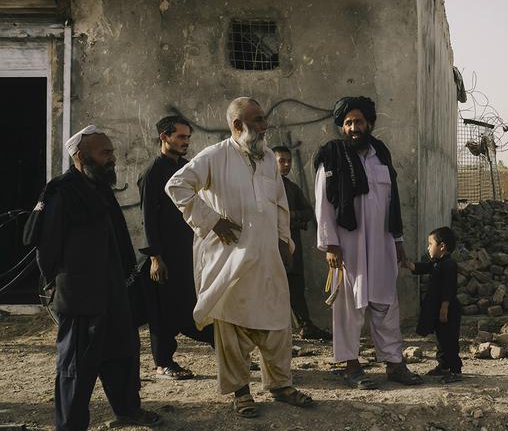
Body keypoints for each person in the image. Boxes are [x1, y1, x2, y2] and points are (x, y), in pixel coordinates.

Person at [165, 97, 314, 418]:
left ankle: (280, 385)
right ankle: (241, 392)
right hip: (229, 261)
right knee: (232, 329)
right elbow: (176, 185)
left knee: (277, 324)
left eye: (263, 119)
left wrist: (284, 242)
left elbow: (278, 204)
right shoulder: (215, 157)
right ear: (237, 125)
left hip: (267, 258)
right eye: (258, 120)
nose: (265, 126)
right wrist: (212, 220)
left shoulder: (268, 158)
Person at [34, 125, 161, 430]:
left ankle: (128, 411)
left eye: (111, 152)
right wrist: (57, 287)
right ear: (80, 156)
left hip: (115, 294)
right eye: (105, 153)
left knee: (122, 357)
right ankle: (70, 425)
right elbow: (46, 249)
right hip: (81, 300)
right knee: (76, 368)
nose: (112, 158)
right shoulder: (61, 192)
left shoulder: (100, 188)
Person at [315, 96, 422, 390]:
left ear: (369, 123)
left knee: (386, 302)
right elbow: (323, 203)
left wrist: (397, 240)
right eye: (348, 122)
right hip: (348, 245)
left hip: (383, 242)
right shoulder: (331, 155)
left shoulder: (381, 154)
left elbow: (393, 201)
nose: (353, 127)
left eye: (358, 121)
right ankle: (350, 365)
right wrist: (330, 245)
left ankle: (394, 363)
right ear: (342, 126)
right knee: (349, 306)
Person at [138, 116, 214, 380]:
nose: (186, 142)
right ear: (164, 137)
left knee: (198, 303)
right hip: (165, 254)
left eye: (188, 137)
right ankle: (163, 362)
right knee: (162, 310)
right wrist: (156, 257)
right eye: (180, 137)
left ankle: (228, 352)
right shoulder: (152, 173)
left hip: (191, 251)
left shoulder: (188, 168)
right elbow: (148, 218)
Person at [272, 145, 331, 341]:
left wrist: (289, 216)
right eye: (282, 161)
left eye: (289, 161)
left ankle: (306, 326)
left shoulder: (291, 188)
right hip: (270, 250)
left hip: (292, 248)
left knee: (296, 288)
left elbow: (307, 212)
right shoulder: (263, 187)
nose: (287, 164)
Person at [403, 227, 463, 383]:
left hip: (448, 309)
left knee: (449, 340)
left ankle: (455, 371)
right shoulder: (437, 263)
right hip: (439, 309)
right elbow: (423, 267)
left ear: (441, 246)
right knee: (441, 340)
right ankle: (443, 366)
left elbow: (449, 288)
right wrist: (408, 264)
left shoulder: (449, 264)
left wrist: (445, 308)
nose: (428, 247)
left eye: (430, 244)